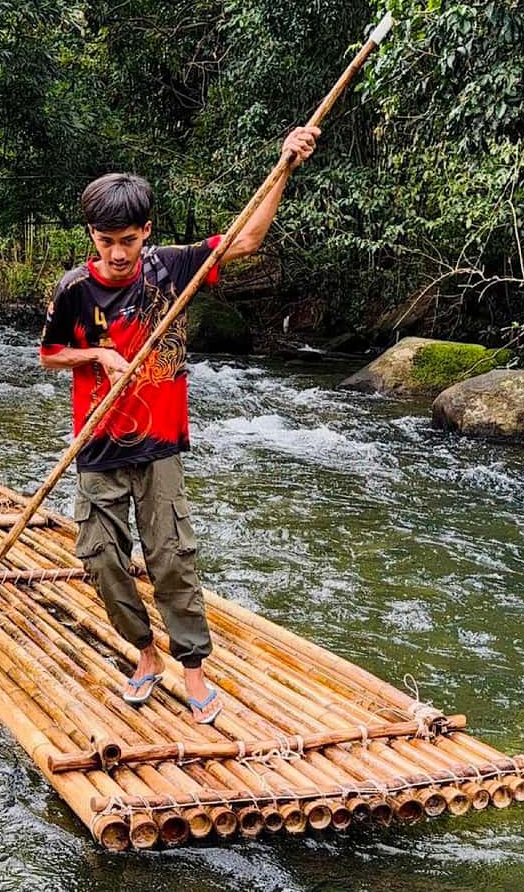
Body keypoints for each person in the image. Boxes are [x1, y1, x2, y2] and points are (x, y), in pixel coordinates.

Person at [40, 126, 319, 724]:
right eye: (107, 240)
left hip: (159, 443)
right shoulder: (72, 289)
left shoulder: (172, 270)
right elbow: (50, 353)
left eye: (129, 240)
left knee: (171, 557)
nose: (118, 253)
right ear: (92, 235)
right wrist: (96, 356)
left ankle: (192, 670)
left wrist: (285, 167)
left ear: (148, 233)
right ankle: (144, 654)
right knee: (99, 556)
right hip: (97, 444)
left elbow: (246, 238)